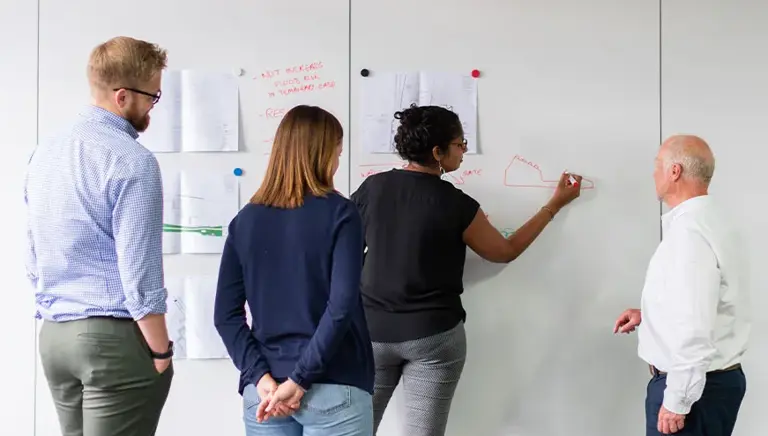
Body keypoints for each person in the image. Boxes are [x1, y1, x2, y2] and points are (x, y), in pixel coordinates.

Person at [349, 104, 583, 435]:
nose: (464, 151)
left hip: (371, 331)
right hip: (432, 335)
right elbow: (505, 251)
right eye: (460, 144)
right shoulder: (456, 203)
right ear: (437, 152)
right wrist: (554, 204)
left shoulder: (371, 189)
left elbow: (344, 251)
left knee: (354, 429)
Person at [24, 36, 174, 436]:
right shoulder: (133, 161)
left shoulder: (45, 153)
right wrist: (161, 349)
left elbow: (33, 252)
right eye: (152, 97)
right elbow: (140, 271)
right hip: (111, 339)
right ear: (122, 96)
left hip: (55, 337)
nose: (152, 107)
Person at [214, 105, 375, 436]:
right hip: (334, 384)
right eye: (337, 153)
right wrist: (300, 379)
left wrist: (260, 377)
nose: (337, 163)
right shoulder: (341, 214)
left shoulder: (245, 221)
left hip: (265, 392)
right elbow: (341, 306)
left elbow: (225, 316)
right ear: (322, 153)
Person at [613, 135, 749, 436]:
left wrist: (677, 400)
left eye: (657, 165)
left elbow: (694, 327)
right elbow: (706, 302)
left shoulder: (689, 233)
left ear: (674, 171)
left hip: (695, 389)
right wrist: (650, 315)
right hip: (711, 383)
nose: (653, 174)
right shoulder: (713, 220)